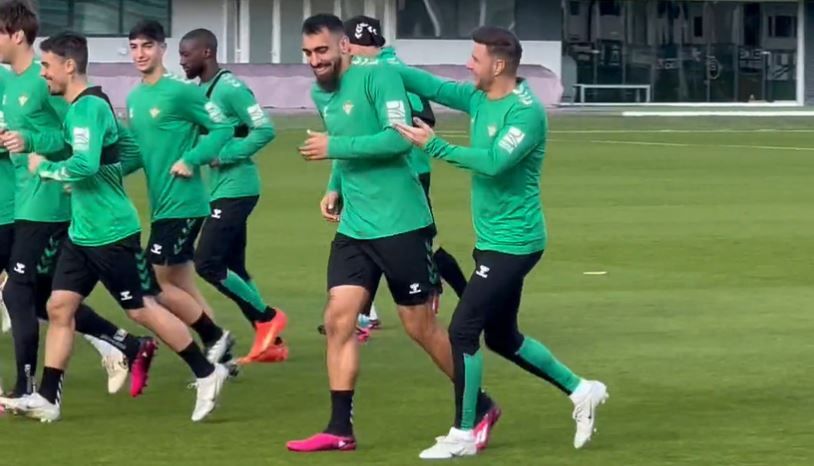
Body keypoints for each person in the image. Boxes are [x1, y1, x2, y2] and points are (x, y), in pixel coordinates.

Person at [392, 27, 608, 459]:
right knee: (503, 338)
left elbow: (493, 164)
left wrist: (435, 146)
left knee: (463, 330)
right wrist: (380, 64)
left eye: (475, 58)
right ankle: (582, 390)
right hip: (492, 241)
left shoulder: (525, 113)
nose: (469, 65)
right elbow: (432, 85)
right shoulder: (478, 98)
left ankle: (464, 432)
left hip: (517, 243)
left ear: (499, 65)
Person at [286, 14, 498, 453]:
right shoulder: (320, 92)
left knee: (419, 326)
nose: (314, 61)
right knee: (338, 318)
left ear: (344, 46)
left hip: (401, 222)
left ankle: (478, 405)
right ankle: (340, 429)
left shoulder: (380, 76)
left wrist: (333, 149)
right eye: (307, 53)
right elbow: (343, 142)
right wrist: (334, 186)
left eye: (322, 51)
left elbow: (400, 138)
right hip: (355, 227)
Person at [4, 32, 228, 423]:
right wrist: (37, 142)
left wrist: (50, 170)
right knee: (59, 306)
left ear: (69, 66)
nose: (43, 75)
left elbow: (85, 165)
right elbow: (122, 151)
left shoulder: (89, 108)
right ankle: (47, 398)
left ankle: (208, 371)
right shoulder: (78, 108)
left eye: (47, 66)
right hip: (83, 231)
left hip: (110, 232)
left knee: (141, 309)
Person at [0, 0, 154, 403]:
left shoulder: (43, 79)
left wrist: (37, 146)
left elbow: (76, 137)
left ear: (16, 35)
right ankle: (122, 343)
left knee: (20, 293)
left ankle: (28, 388)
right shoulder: (10, 82)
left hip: (50, 203)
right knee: (44, 297)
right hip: (22, 200)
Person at [123, 20, 242, 363]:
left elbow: (224, 127)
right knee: (183, 287)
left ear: (162, 48)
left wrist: (192, 158)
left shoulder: (180, 91)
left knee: (152, 285)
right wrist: (106, 174)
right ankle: (223, 359)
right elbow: (141, 155)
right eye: (134, 47)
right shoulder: (134, 98)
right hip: (161, 205)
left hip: (184, 203)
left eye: (147, 46)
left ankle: (214, 338)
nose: (140, 53)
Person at [342, 16, 469, 328]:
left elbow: (422, 112)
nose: (348, 53)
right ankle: (362, 311)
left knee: (424, 244)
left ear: (366, 46)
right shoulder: (365, 71)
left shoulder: (389, 69)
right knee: (367, 237)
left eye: (352, 47)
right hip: (381, 172)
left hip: (408, 170)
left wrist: (392, 126)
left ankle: (472, 302)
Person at [178, 28, 288, 364]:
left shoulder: (230, 88)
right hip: (219, 189)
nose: (182, 61)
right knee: (234, 266)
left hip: (238, 188)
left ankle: (268, 316)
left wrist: (226, 155)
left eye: (187, 55)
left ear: (207, 53)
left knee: (208, 263)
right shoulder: (203, 90)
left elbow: (265, 128)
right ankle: (274, 345)